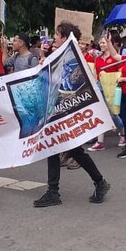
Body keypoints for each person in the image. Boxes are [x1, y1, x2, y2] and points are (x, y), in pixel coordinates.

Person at [33, 22, 111, 207]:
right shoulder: (60, 56)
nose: (54, 37)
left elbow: (71, 85)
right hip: (57, 110)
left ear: (64, 37)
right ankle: (57, 190)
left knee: (68, 149)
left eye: (57, 34)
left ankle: (59, 190)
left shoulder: (73, 59)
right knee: (58, 149)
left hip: (66, 111)